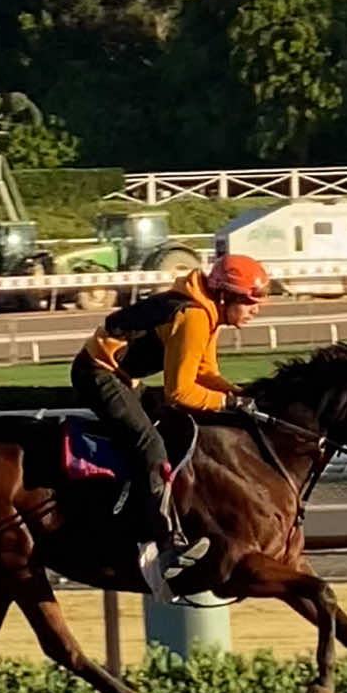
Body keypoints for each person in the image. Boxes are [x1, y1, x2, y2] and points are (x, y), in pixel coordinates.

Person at [71, 252, 268, 598]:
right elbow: (180, 392)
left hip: (123, 377)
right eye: (249, 301)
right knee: (150, 445)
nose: (256, 308)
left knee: (177, 429)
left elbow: (204, 373)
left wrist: (242, 394)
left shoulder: (207, 310)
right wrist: (229, 402)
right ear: (225, 296)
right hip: (97, 374)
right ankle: (163, 542)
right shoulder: (193, 315)